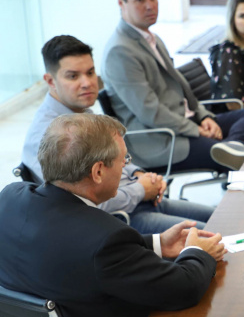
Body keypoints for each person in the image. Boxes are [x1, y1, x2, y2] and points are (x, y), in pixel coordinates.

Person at [0, 113, 228, 317]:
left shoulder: (10, 199)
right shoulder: (103, 239)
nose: (126, 167)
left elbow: (75, 254)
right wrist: (198, 253)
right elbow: (184, 288)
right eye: (124, 160)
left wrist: (157, 244)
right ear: (97, 172)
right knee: (183, 314)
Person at [22, 35, 214, 235]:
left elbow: (113, 156)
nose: (87, 83)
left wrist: (138, 174)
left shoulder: (80, 113)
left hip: (138, 202)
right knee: (214, 235)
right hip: (118, 220)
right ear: (50, 81)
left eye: (90, 72)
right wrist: (140, 190)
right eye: (73, 76)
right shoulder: (48, 136)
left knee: (219, 217)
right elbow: (85, 204)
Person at [102, 0, 244, 172]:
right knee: (239, 160)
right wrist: (196, 130)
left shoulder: (152, 38)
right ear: (121, 3)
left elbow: (181, 89)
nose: (150, 5)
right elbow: (150, 112)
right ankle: (228, 155)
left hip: (184, 123)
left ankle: (229, 151)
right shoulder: (120, 51)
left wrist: (204, 117)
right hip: (162, 140)